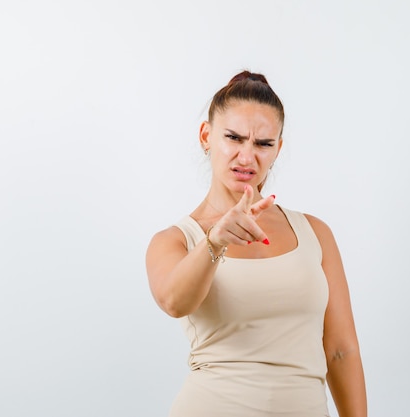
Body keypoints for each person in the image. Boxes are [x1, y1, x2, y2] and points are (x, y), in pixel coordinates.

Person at [145, 70, 367, 417]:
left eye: (263, 144)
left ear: (278, 148)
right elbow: (175, 301)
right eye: (233, 138)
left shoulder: (314, 232)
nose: (247, 158)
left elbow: (341, 349)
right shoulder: (176, 239)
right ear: (206, 136)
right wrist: (215, 240)